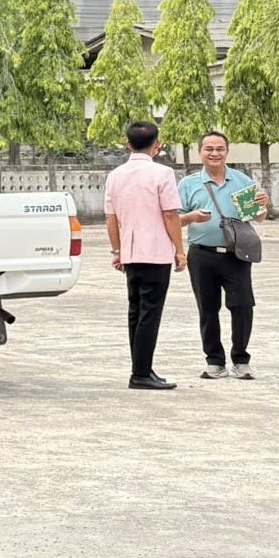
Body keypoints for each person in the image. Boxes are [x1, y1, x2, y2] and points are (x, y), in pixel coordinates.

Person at [103, 119, 188, 391]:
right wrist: (180, 250)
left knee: (136, 311)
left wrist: (117, 250)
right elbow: (170, 214)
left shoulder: (115, 175)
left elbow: (111, 218)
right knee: (150, 313)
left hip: (130, 252)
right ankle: (141, 373)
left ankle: (141, 368)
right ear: (157, 145)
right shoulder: (162, 173)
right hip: (156, 252)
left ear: (128, 144)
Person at [179, 130, 267, 381]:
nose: (214, 153)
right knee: (207, 308)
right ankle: (214, 361)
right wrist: (192, 217)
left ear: (227, 152)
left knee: (243, 306)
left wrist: (263, 205)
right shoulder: (188, 184)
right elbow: (174, 219)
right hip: (201, 255)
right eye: (209, 149)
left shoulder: (241, 180)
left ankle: (241, 359)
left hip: (236, 254)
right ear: (200, 152)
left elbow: (258, 217)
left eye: (220, 149)